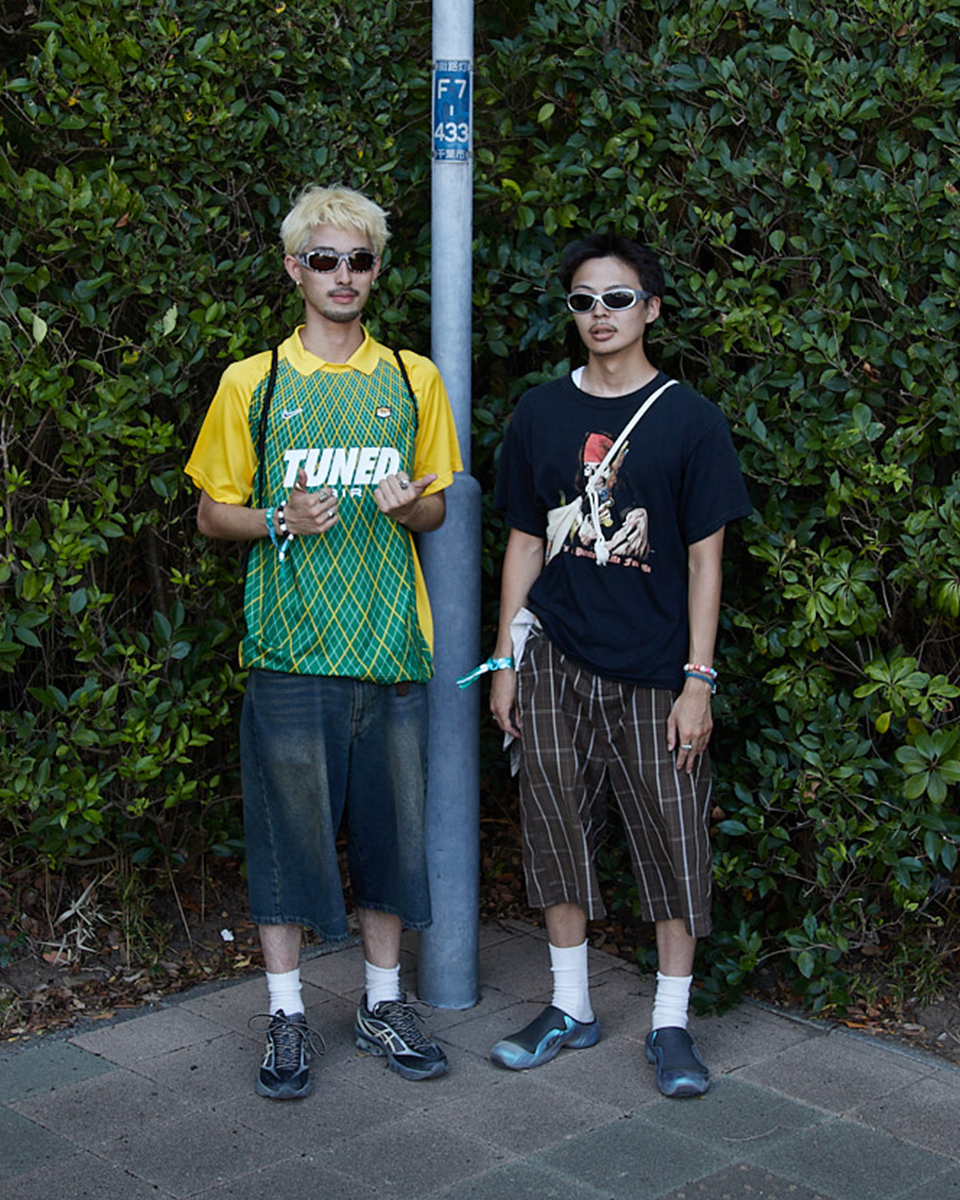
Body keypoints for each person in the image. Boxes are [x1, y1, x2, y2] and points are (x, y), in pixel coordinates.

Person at [185, 184, 462, 1100]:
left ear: (376, 271)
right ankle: (287, 1016)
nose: (344, 275)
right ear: (294, 269)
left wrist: (410, 507)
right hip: (289, 652)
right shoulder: (253, 381)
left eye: (360, 260)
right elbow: (211, 513)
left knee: (392, 840)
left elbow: (436, 506)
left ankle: (383, 1005)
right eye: (325, 259)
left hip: (389, 650)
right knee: (286, 844)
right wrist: (280, 518)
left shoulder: (413, 378)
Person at [487, 232, 751, 1098]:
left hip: (656, 669)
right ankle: (570, 1006)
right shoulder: (539, 413)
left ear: (651, 308)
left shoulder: (689, 419)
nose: (599, 315)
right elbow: (525, 541)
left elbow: (707, 560)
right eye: (583, 301)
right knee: (555, 829)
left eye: (617, 298)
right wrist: (505, 658)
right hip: (555, 656)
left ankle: (671, 1024)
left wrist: (698, 680)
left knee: (673, 838)